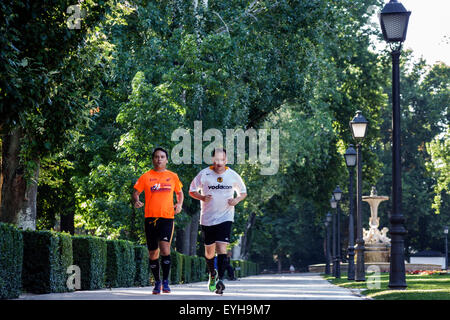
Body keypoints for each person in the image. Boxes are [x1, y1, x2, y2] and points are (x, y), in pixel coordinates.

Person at [189, 148, 247, 294]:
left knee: (222, 248)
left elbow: (243, 192)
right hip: (207, 219)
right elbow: (191, 190)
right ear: (213, 160)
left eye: (222, 160)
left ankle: (220, 280)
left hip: (226, 217)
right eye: (217, 160)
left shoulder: (232, 175)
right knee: (209, 252)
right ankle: (212, 274)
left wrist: (236, 200)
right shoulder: (204, 174)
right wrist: (202, 198)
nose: (219, 163)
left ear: (226, 160)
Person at [133, 147, 183, 294]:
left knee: (165, 248)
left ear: (166, 160)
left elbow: (180, 193)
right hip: (150, 218)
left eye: (162, 157)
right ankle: (157, 282)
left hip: (167, 218)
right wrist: (136, 200)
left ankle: (166, 282)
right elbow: (136, 193)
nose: (159, 159)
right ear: (153, 159)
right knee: (153, 253)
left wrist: (179, 204)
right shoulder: (146, 176)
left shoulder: (173, 176)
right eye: (156, 157)